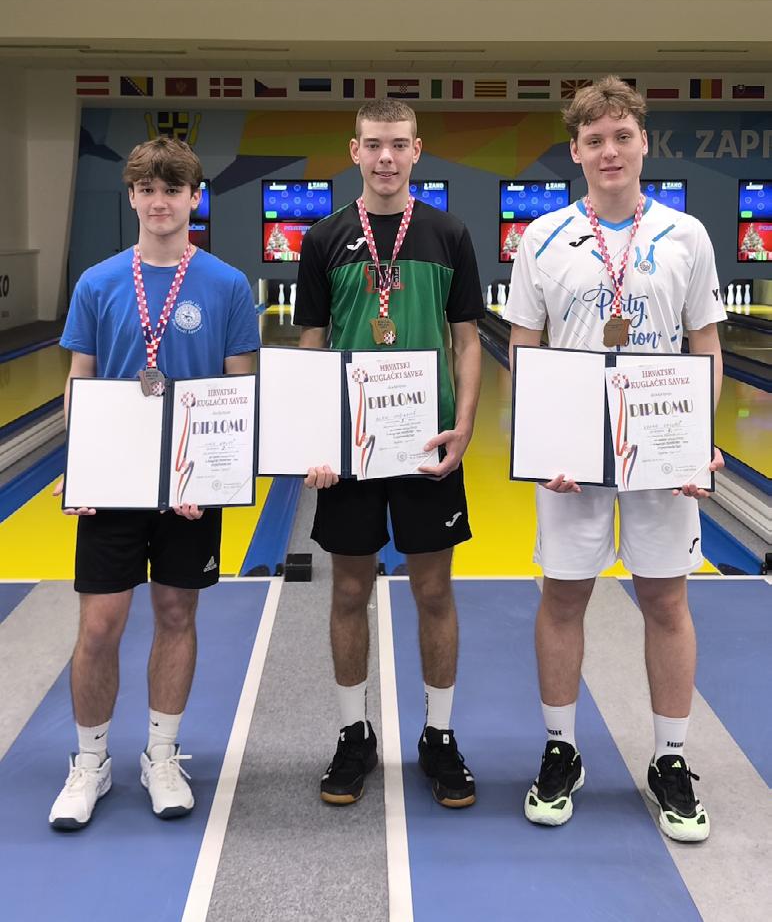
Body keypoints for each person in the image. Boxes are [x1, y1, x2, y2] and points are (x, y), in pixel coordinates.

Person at [503, 75, 725, 842]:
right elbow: (522, 343)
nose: (609, 151)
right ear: (575, 150)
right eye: (594, 139)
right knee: (563, 596)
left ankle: (671, 759)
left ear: (643, 143)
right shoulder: (541, 237)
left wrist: (696, 436)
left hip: (658, 446)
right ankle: (560, 748)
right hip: (572, 452)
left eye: (621, 135)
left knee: (665, 599)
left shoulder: (687, 235)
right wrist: (540, 441)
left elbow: (705, 341)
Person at [49, 137, 259, 830]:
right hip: (114, 483)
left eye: (174, 189)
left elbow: (238, 391)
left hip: (191, 487)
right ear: (132, 196)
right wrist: (79, 468)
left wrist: (217, 477)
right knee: (100, 624)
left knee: (175, 615)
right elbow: (80, 381)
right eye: (148, 189)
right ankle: (90, 762)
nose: (160, 201)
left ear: (195, 198)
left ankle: (161, 755)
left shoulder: (227, 285)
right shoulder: (98, 282)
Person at [294, 99, 484, 808]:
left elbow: (467, 339)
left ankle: (439, 735)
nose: (386, 157)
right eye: (374, 144)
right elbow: (311, 344)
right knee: (349, 589)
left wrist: (464, 426)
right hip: (352, 451)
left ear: (416, 150)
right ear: (354, 151)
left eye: (398, 144)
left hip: (425, 441)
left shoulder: (448, 233)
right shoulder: (324, 238)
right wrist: (316, 435)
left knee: (433, 590)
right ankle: (354, 734)